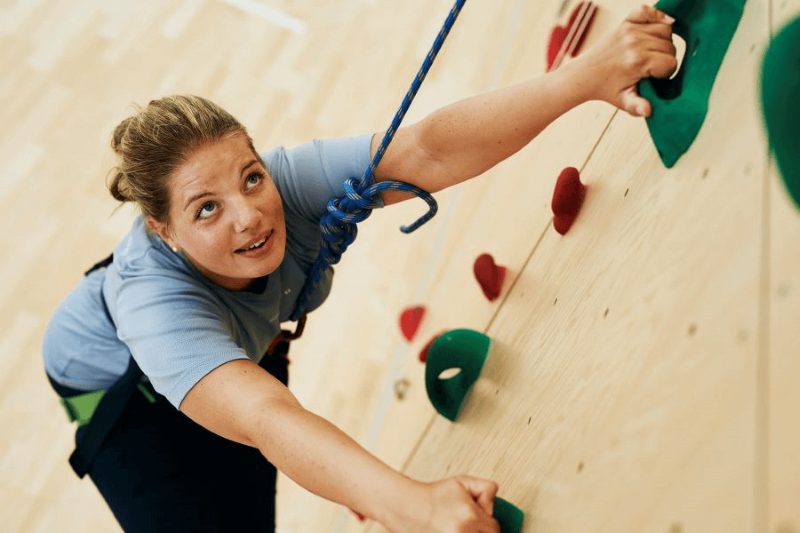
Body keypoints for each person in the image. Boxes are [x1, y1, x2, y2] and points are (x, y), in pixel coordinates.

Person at [42, 5, 677, 532]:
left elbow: (424, 150)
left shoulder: (282, 183)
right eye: (207, 209)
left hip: (230, 338)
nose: (250, 216)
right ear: (163, 230)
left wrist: (584, 76)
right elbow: (267, 417)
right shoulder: (156, 311)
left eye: (251, 177)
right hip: (120, 392)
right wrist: (413, 507)